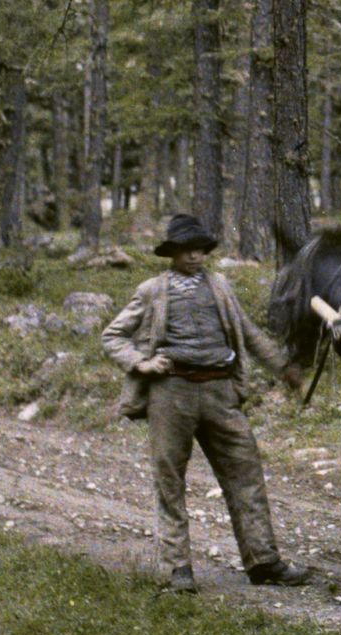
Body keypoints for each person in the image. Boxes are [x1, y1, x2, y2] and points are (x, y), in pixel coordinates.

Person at [101, 213, 310, 591]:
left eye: (200, 249)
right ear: (173, 253)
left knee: (245, 473)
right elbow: (113, 335)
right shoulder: (152, 290)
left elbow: (247, 333)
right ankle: (177, 571)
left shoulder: (221, 286)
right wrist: (143, 363)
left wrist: (284, 368)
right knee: (169, 481)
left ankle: (263, 562)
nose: (195, 256)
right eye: (186, 250)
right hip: (171, 393)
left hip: (220, 392)